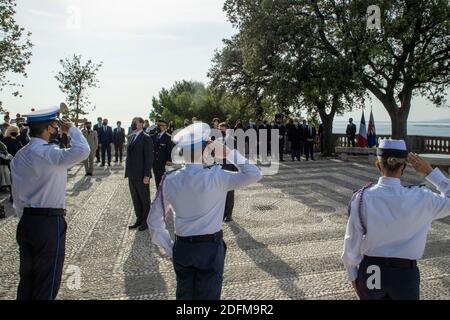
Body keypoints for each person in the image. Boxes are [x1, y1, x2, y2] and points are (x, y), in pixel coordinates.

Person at [147, 122, 262, 300]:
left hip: (183, 248)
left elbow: (153, 222)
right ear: (205, 149)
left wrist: (171, 249)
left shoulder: (169, 179)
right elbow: (254, 173)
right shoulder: (218, 176)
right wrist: (229, 152)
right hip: (210, 248)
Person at [342, 140, 450, 300]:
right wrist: (430, 173)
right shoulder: (423, 197)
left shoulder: (362, 197)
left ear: (378, 165)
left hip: (373, 270)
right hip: (405, 275)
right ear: (404, 167)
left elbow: (351, 244)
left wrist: (353, 277)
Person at [11, 106, 90, 300]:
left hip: (27, 221)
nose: (56, 129)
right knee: (47, 280)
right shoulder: (50, 153)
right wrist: (72, 129)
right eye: (54, 126)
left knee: (27, 280)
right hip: (48, 223)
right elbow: (83, 150)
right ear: (47, 129)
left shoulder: (20, 155)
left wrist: (26, 215)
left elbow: (17, 193)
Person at [125, 117, 154, 231]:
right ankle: (139, 219)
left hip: (142, 175)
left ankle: (146, 221)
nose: (133, 124)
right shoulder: (131, 137)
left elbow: (149, 158)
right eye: (132, 122)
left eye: (135, 123)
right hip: (132, 175)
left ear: (141, 124)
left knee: (144, 199)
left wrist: (147, 175)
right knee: (135, 198)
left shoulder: (146, 138)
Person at [218, 122, 239, 222]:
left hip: (230, 169)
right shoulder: (220, 140)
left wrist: (236, 171)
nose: (220, 131)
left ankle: (229, 214)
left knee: (230, 192)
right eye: (219, 129)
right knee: (222, 192)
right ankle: (223, 213)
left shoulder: (232, 141)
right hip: (221, 169)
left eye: (221, 129)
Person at [152, 120, 173, 189]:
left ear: (166, 127)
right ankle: (158, 194)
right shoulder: (155, 135)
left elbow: (169, 150)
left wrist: (169, 160)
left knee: (163, 181)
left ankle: (163, 195)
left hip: (163, 163)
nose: (160, 127)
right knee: (156, 179)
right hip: (155, 162)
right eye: (159, 126)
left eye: (162, 126)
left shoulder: (168, 137)